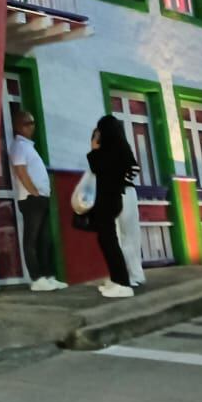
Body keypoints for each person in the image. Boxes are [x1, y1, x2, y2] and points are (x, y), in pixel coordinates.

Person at [9, 111, 66, 291]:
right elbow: (21, 171)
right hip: (31, 199)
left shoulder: (28, 146)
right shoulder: (19, 145)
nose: (31, 126)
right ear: (18, 126)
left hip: (41, 197)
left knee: (45, 238)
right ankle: (37, 278)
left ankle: (48, 276)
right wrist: (33, 191)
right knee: (32, 240)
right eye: (27, 123)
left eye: (32, 123)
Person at [87, 115, 140, 298]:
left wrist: (94, 150)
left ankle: (123, 282)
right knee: (108, 240)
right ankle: (117, 279)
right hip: (114, 198)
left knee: (109, 241)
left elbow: (97, 167)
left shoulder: (108, 150)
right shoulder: (122, 146)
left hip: (107, 199)